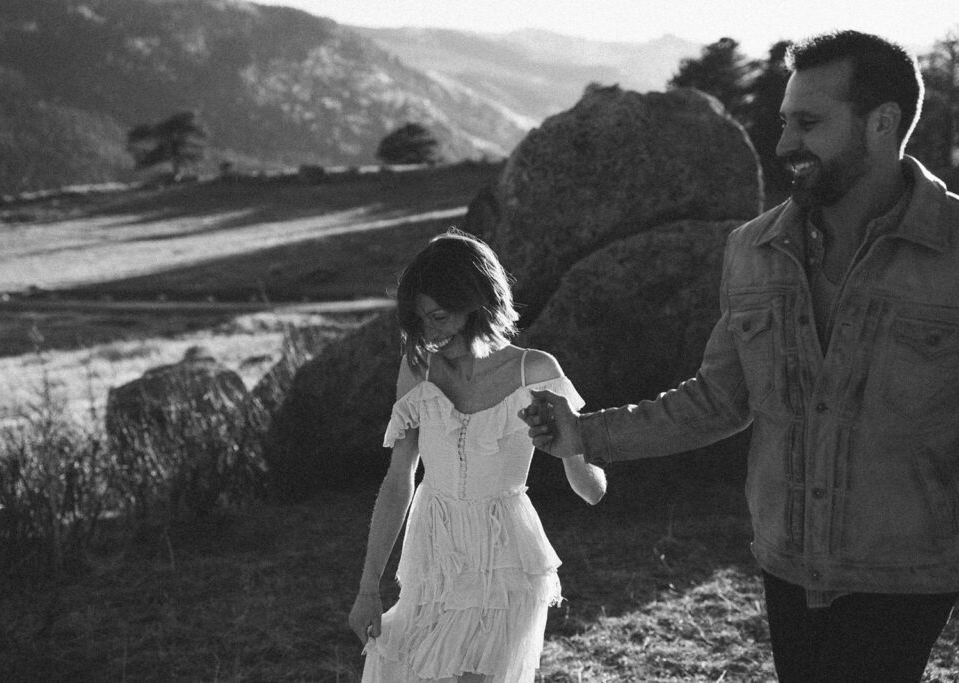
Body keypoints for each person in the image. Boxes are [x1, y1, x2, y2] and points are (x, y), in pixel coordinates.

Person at [521, 30, 959, 683]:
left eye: (809, 123)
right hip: (785, 562)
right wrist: (586, 432)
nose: (784, 144)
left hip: (905, 571)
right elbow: (718, 398)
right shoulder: (752, 248)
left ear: (882, 123)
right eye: (785, 122)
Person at [348, 228, 606, 682]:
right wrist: (368, 588)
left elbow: (590, 492)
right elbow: (398, 479)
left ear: (480, 302)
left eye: (441, 316)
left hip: (506, 566)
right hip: (433, 560)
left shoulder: (536, 370)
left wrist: (572, 439)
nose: (431, 332)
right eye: (420, 319)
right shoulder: (418, 369)